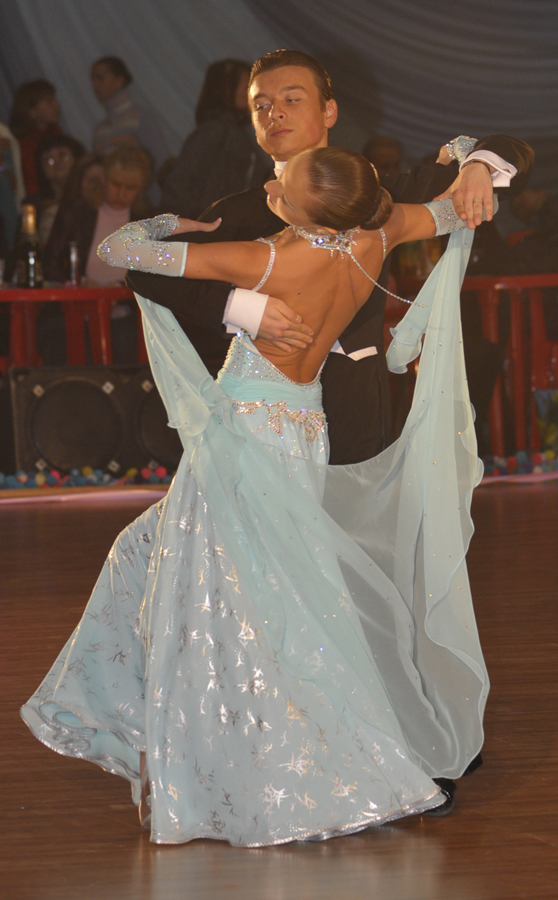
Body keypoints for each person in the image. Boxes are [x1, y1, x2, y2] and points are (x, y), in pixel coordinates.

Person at [22, 146, 489, 845]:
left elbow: (118, 249)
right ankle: (206, 743)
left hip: (242, 437)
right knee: (204, 572)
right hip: (302, 433)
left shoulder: (267, 259)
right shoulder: (375, 235)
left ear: (314, 214)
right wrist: (473, 164)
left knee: (216, 593)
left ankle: (231, 761)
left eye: (283, 190)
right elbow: (452, 211)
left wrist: (165, 222)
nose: (270, 186)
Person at [126, 50, 534, 466]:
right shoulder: (237, 211)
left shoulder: (378, 196)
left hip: (356, 406)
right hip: (259, 415)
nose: (274, 113)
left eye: (291, 99)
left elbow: (511, 165)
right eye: (260, 105)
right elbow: (143, 272)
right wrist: (242, 308)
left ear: (329, 112)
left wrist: (477, 166)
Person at [160, 59, 271, 218]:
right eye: (246, 86)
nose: (251, 93)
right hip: (206, 227)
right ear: (225, 89)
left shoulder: (240, 132)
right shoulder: (214, 131)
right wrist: (190, 225)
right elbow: (180, 184)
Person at [91, 56, 169, 180]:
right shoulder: (100, 129)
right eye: (93, 79)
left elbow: (160, 164)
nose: (95, 85)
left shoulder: (140, 118)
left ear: (119, 80)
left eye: (100, 78)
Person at [9, 80, 62, 196]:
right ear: (32, 112)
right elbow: (31, 181)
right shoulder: (26, 146)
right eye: (49, 102)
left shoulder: (55, 133)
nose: (57, 105)